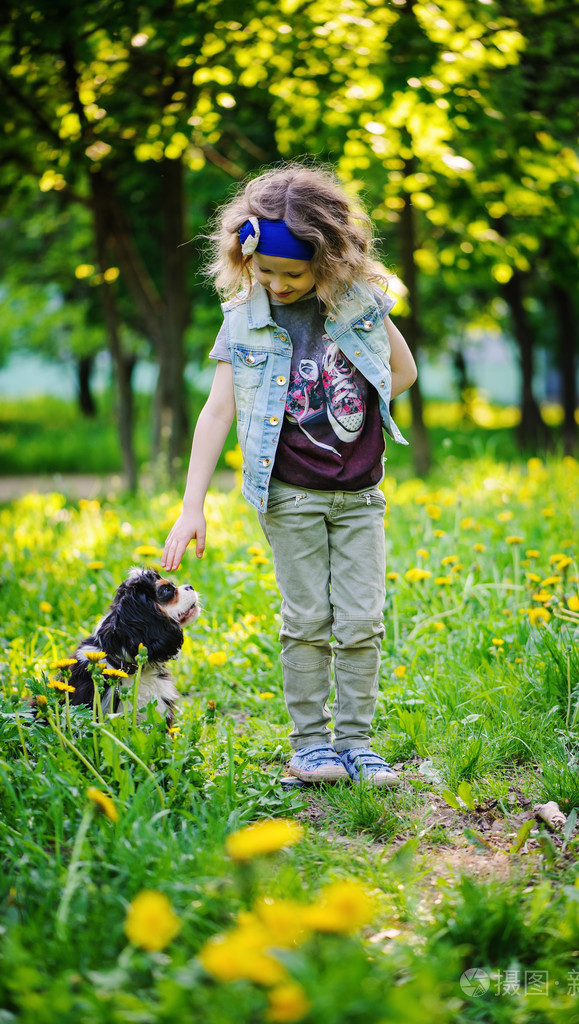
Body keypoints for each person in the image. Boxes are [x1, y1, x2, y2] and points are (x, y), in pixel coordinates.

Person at [162, 163, 417, 787]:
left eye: (292, 274)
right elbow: (217, 409)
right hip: (290, 498)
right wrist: (192, 504)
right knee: (306, 620)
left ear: (328, 264)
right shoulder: (244, 318)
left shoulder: (356, 308)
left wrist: (366, 313)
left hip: (359, 498)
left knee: (361, 622)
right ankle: (311, 746)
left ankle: (356, 744)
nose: (275, 284)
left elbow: (403, 373)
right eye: (264, 271)